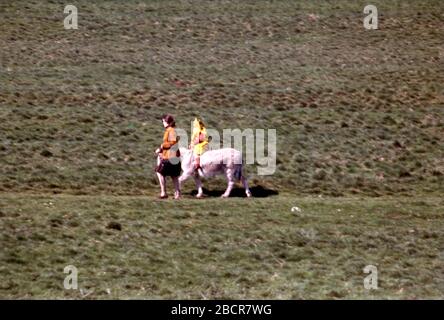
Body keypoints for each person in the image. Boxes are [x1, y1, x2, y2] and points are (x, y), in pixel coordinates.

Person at [155, 114, 181, 199]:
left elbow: (172, 142)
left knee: (159, 172)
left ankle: (163, 192)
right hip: (173, 156)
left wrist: (162, 146)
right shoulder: (170, 130)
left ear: (167, 121)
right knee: (174, 176)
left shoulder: (171, 131)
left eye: (163, 121)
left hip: (170, 157)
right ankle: (177, 194)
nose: (162, 123)